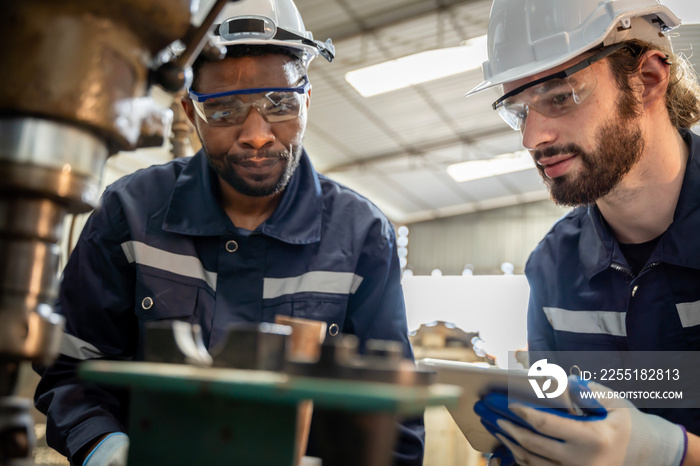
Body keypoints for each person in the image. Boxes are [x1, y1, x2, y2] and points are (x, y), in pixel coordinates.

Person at [33, 0, 424, 465]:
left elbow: (393, 419)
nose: (257, 134)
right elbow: (71, 370)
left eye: (280, 104)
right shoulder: (130, 213)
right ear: (189, 111)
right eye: (223, 110)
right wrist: (109, 452)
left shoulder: (361, 235)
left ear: (307, 100)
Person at [466, 0, 700, 464]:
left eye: (559, 96)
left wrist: (670, 452)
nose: (532, 138)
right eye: (518, 110)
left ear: (648, 79)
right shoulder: (553, 267)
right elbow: (558, 416)